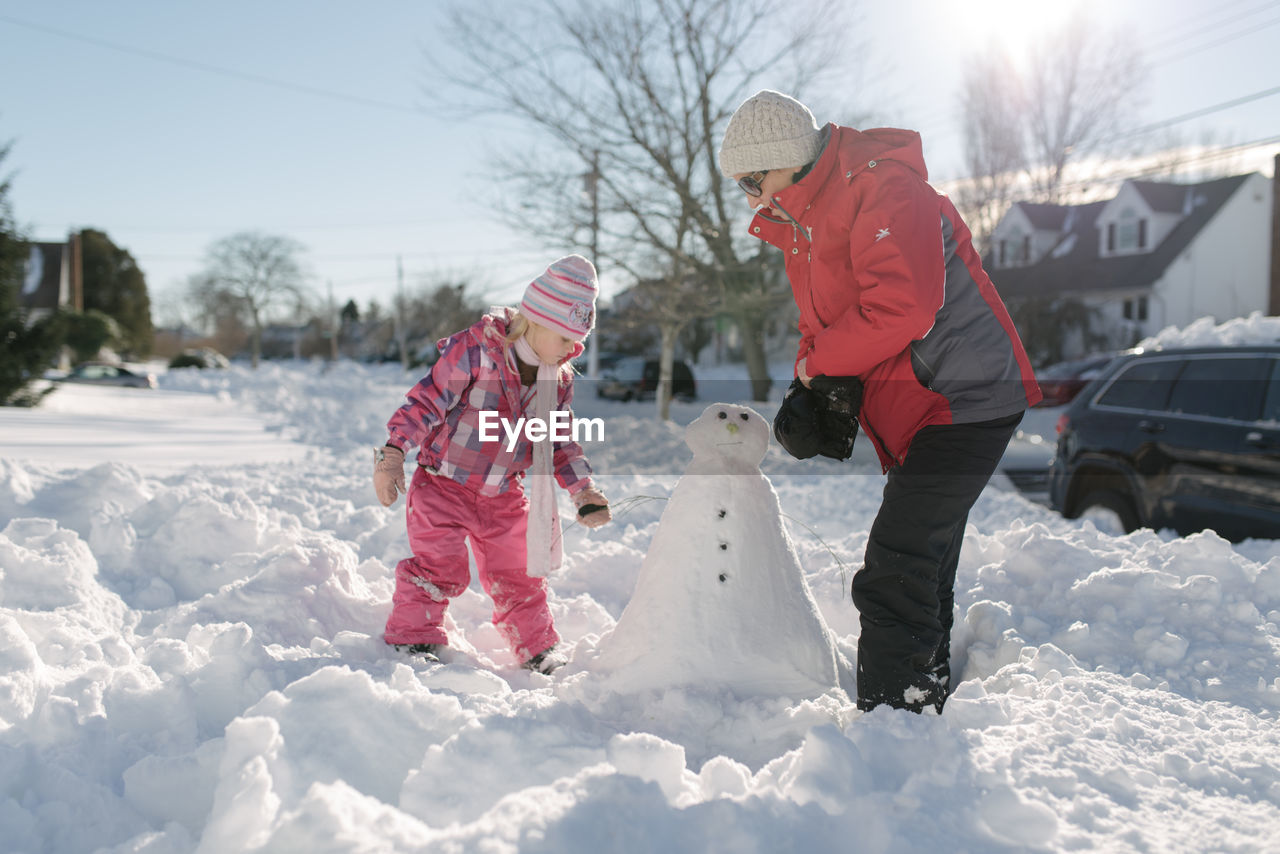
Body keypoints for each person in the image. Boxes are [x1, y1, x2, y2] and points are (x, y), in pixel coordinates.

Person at [719, 90, 1042, 713]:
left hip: (964, 398)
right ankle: (923, 700)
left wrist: (817, 369)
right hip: (924, 405)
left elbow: (905, 308)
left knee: (897, 566)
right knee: (924, 561)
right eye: (741, 188)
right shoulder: (806, 224)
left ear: (786, 158)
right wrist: (808, 386)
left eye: (753, 181)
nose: (753, 199)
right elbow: (823, 326)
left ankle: (897, 722)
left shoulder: (883, 188)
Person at [372, 254, 612, 674]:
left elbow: (559, 441)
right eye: (566, 338)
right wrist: (394, 453)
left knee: (519, 573)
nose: (573, 349)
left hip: (503, 495)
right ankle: (414, 637)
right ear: (536, 320)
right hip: (443, 485)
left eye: (579, 341)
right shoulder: (477, 352)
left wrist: (583, 490)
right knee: (437, 567)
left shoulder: (557, 379)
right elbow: (426, 401)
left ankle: (537, 648)